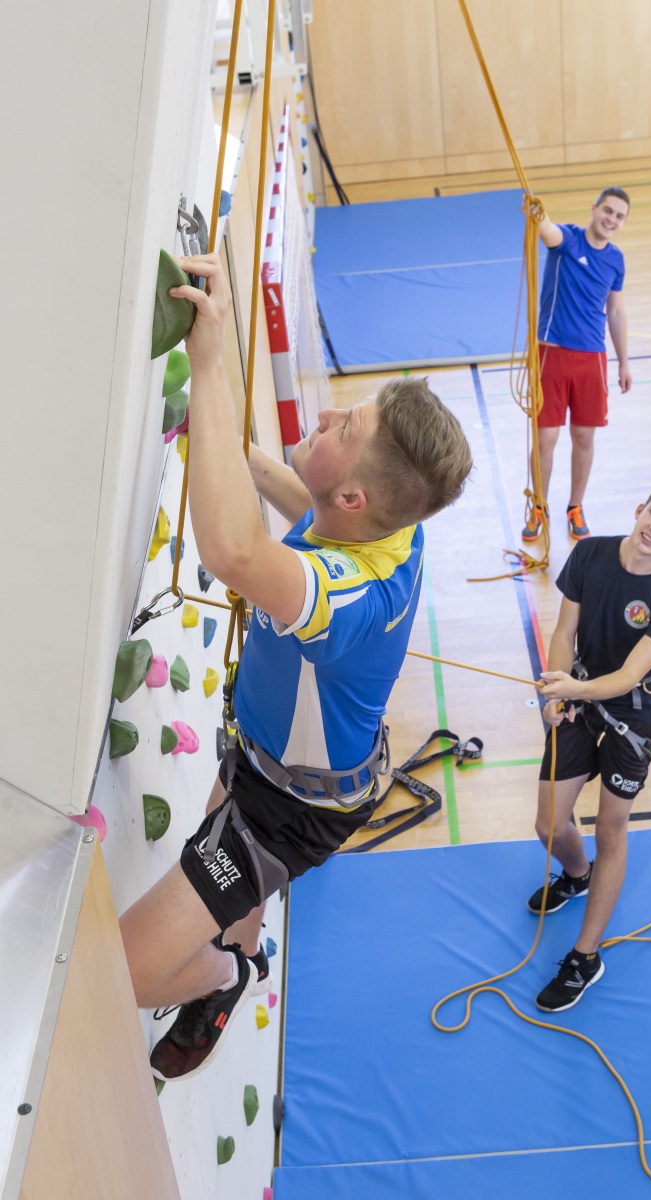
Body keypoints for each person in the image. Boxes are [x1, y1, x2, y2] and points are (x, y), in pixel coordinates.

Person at [120, 252, 473, 1081]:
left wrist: (211, 362)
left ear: (355, 498)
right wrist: (233, 446)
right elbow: (301, 501)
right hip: (268, 748)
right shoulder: (390, 522)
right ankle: (236, 948)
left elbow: (236, 552)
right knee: (224, 881)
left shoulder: (351, 596)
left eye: (343, 430)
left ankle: (223, 975)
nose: (326, 414)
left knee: (125, 970)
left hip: (290, 807)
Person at [529, 485, 651, 1012]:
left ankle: (585, 957)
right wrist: (558, 692)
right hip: (579, 694)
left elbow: (628, 675)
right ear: (639, 510)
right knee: (549, 825)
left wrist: (572, 691)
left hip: (633, 713)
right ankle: (577, 875)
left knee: (609, 829)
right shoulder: (589, 554)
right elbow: (565, 632)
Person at [523, 187, 632, 545]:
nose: (611, 219)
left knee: (584, 437)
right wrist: (537, 215)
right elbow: (547, 230)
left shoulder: (615, 259)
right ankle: (539, 506)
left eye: (619, 216)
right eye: (608, 211)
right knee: (546, 439)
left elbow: (615, 311)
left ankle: (575, 507)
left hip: (591, 359)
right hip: (552, 355)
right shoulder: (568, 240)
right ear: (594, 209)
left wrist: (623, 362)